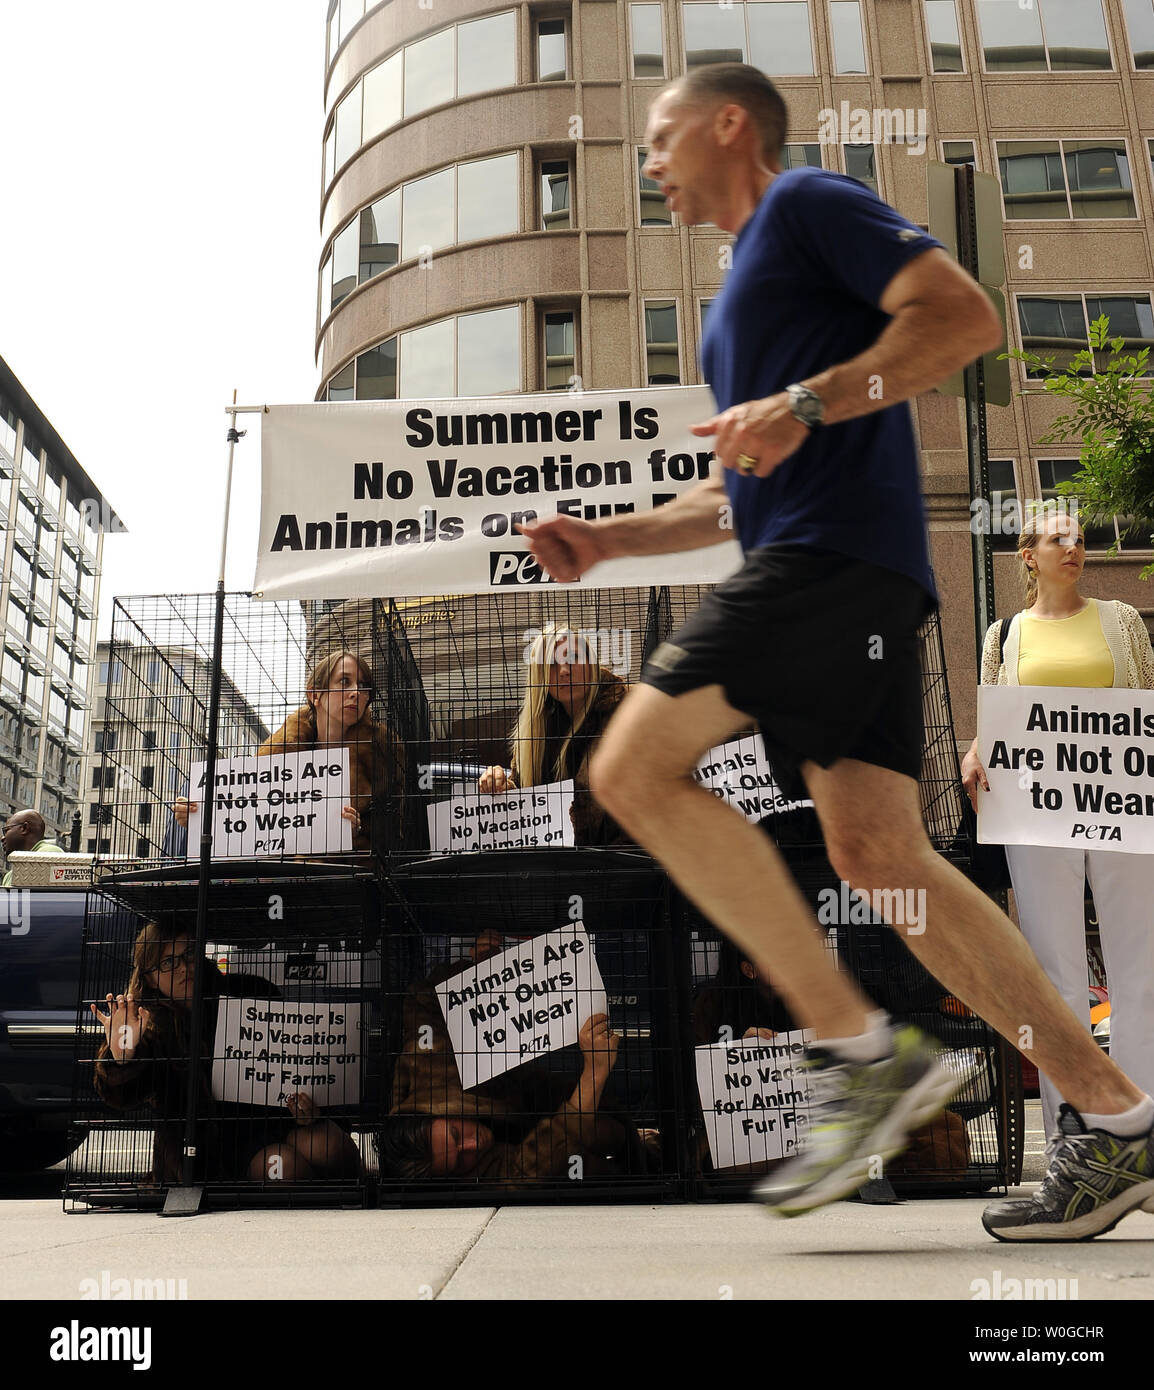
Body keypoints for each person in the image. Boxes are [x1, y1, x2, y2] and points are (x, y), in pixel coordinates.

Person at [517, 63, 1154, 1240]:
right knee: (879, 858)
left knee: (628, 769)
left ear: (726, 125)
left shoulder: (805, 202)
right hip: (833, 570)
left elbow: (962, 318)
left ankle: (858, 1053)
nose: (647, 162)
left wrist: (802, 404)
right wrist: (606, 542)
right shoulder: (737, 298)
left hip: (830, 569)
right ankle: (1116, 1116)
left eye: (659, 137)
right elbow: (740, 491)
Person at [962, 504, 1154, 1143]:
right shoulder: (1003, 635)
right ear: (1029, 556)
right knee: (1056, 974)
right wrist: (975, 754)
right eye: (1056, 540)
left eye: (1077, 539)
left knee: (1138, 965)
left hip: (1120, 806)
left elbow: (1145, 704)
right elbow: (995, 722)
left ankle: (1139, 1125)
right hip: (1037, 814)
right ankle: (1075, 1133)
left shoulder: (1122, 622)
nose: (1072, 548)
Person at [91, 922, 362, 1183]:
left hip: (277, 1119)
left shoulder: (249, 992)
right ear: (149, 977)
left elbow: (294, 1061)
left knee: (332, 1148)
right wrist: (122, 1057)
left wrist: (306, 1106)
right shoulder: (146, 1023)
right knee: (286, 1167)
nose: (184, 967)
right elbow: (122, 1098)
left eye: (189, 954)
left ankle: (340, 1195)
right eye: (168, 963)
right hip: (216, 1145)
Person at [381, 1010, 653, 1185]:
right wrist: (595, 1071)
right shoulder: (474, 1174)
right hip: (541, 1135)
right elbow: (528, 1171)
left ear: (437, 1112)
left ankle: (637, 1144)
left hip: (531, 1092)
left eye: (456, 1133)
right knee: (580, 1155)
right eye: (459, 1161)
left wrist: (475, 967)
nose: (473, 1144)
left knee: (609, 1132)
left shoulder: (425, 1067)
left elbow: (424, 1001)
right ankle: (644, 1162)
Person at [175, 651, 406, 853]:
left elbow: (393, 831)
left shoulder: (381, 754)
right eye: (344, 682)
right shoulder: (283, 750)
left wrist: (356, 831)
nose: (356, 692)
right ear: (315, 695)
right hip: (282, 873)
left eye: (363, 686)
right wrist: (199, 816)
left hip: (348, 879)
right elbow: (246, 809)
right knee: (191, 793)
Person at [478, 623, 628, 845]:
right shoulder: (536, 735)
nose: (564, 670)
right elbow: (524, 797)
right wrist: (500, 785)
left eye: (573, 657)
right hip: (561, 868)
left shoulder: (628, 706)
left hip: (629, 863)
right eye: (551, 663)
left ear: (591, 663)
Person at [2, 809, 61, 886]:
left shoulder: (49, 853)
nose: (2, 838)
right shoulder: (9, 876)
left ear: (24, 828)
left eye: (6, 831)